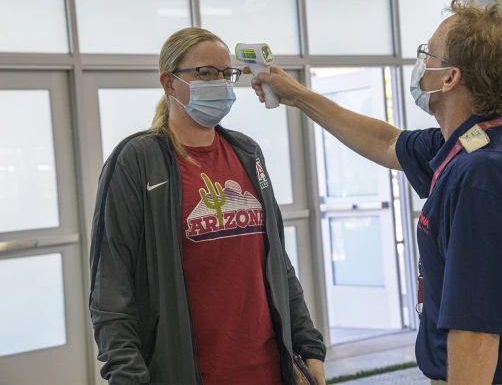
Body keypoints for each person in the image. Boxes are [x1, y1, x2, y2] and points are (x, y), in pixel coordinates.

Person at [248, 0, 502, 385]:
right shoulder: (487, 142)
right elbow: (385, 141)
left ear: (450, 78)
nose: (421, 63)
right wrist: (295, 94)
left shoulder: (481, 177)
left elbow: (476, 333)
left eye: (427, 54)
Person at [89, 27, 326, 385]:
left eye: (226, 74)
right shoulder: (138, 160)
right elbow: (111, 285)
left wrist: (308, 346)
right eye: (205, 73)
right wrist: (127, 375)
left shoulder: (247, 153)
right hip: (188, 372)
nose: (220, 83)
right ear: (169, 84)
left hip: (267, 370)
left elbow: (278, 261)